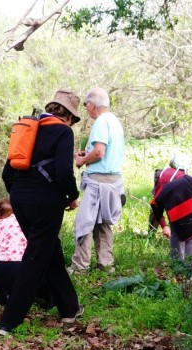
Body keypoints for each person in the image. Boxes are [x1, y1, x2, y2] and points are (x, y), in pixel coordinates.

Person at [0, 89, 83, 335]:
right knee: (35, 257)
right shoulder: (63, 131)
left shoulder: (28, 127)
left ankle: (69, 309)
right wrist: (73, 196)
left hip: (20, 200)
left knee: (49, 250)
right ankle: (9, 322)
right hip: (46, 203)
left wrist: (20, 194)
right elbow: (63, 172)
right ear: (68, 115)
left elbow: (8, 172)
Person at [70, 87, 126, 273]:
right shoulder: (114, 121)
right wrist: (87, 154)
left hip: (99, 181)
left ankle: (79, 266)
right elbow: (105, 152)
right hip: (113, 180)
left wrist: (81, 161)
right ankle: (106, 263)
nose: (86, 109)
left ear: (92, 104)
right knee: (103, 223)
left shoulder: (101, 122)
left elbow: (100, 153)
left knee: (84, 222)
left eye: (86, 105)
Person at [148, 153, 190, 234]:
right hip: (170, 197)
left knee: (155, 210)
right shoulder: (184, 177)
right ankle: (176, 236)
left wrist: (164, 226)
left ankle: (152, 234)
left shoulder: (164, 173)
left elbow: (156, 204)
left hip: (164, 195)